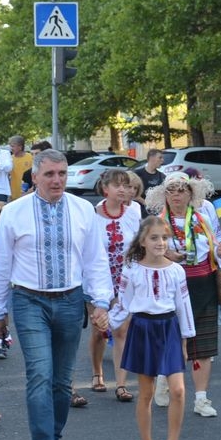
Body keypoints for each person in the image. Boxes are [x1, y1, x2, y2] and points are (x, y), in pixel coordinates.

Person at [0, 149, 113, 440]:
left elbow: (95, 260)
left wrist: (100, 302)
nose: (57, 180)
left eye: (62, 174)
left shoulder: (83, 210)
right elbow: (0, 264)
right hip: (29, 301)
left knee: (61, 380)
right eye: (49, 174)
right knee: (40, 375)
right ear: (35, 177)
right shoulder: (14, 212)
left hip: (70, 301)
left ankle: (55, 439)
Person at [109, 216, 195, 440]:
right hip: (143, 329)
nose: (160, 242)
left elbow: (184, 306)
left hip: (169, 329)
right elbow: (123, 303)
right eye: (154, 237)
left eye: (165, 238)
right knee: (146, 392)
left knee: (178, 390)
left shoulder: (176, 270)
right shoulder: (132, 269)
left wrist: (186, 340)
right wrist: (108, 321)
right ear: (143, 241)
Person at [145, 172, 221, 417]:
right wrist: (166, 255)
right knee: (170, 340)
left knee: (203, 346)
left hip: (204, 286)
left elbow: (215, 248)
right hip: (170, 289)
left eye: (182, 190)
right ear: (164, 195)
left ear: (191, 194)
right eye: (171, 190)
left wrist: (220, 251)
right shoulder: (156, 223)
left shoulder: (202, 218)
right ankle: (163, 378)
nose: (176, 195)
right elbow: (143, 258)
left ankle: (201, 399)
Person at [88, 169, 140, 402]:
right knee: (100, 331)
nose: (123, 189)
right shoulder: (91, 215)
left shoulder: (134, 213)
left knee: (121, 330)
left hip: (125, 281)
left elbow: (140, 245)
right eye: (117, 185)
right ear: (105, 188)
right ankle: (97, 372)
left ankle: (120, 384)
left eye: (126, 185)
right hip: (97, 281)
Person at [7, 135, 31, 201]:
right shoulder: (9, 159)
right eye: (10, 146)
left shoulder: (30, 158)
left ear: (20, 147)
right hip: (13, 196)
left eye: (13, 146)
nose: (11, 148)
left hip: (27, 195)